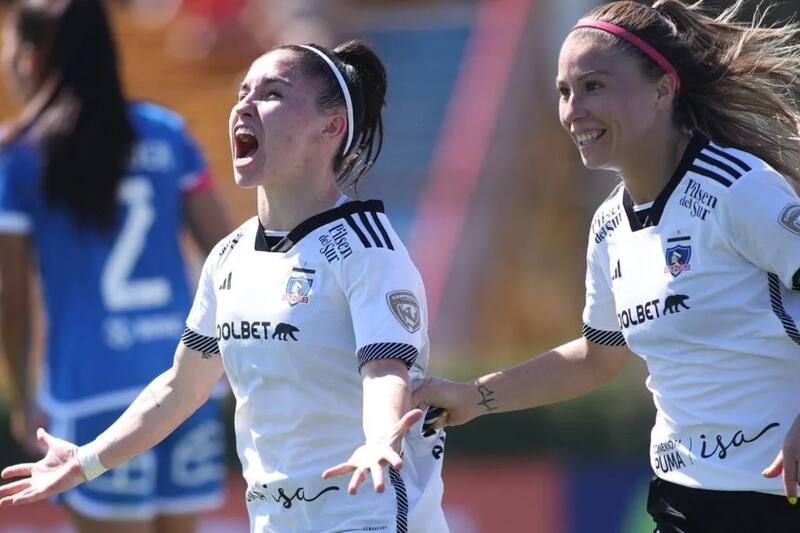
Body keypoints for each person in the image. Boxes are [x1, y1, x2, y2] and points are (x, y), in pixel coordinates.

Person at [0, 37, 449, 533]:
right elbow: (181, 387)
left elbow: (386, 371)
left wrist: (380, 440)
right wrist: (85, 461)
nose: (244, 106)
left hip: (368, 514)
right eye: (242, 92)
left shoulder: (366, 248)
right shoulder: (228, 256)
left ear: (331, 126)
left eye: (272, 94)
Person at [412, 1, 800, 532]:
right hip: (684, 498)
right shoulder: (609, 225)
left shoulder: (738, 189)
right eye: (564, 91)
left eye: (593, 86)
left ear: (663, 89)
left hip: (780, 497)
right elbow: (598, 357)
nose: (573, 110)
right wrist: (473, 396)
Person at [0, 1, 232, 532]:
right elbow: (228, 253)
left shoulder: (20, 155)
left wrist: (22, 398)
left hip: (89, 390)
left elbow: (10, 297)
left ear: (29, 59)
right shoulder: (167, 133)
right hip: (184, 385)